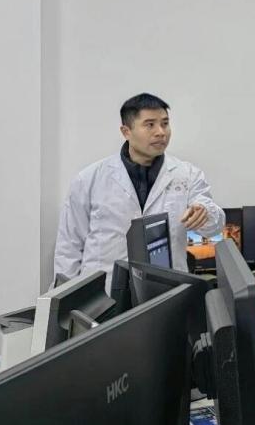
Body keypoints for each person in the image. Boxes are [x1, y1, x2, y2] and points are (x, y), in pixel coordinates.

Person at [54, 93, 224, 288]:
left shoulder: (187, 175)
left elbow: (215, 226)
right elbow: (69, 246)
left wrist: (205, 213)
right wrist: (65, 297)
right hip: (103, 291)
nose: (161, 132)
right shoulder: (89, 179)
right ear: (126, 131)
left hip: (166, 290)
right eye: (150, 125)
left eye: (165, 123)